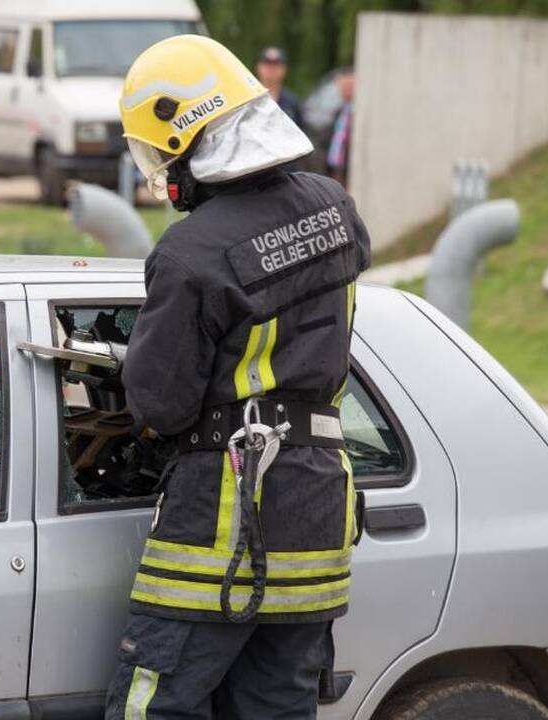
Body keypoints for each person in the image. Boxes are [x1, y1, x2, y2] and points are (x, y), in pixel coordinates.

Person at [107, 35, 370, 719]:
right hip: (317, 511)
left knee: (150, 706)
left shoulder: (190, 252)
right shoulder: (333, 207)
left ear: (184, 140)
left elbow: (162, 405)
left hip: (222, 526)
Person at [256, 46, 304, 131]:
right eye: (267, 63)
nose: (271, 68)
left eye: (276, 64)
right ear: (259, 67)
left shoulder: (292, 102)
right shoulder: (247, 100)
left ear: (284, 69)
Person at [327, 66, 355, 186]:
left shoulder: (358, 113)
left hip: (351, 170)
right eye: (342, 87)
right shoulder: (339, 112)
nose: (345, 90)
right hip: (336, 169)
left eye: (349, 87)